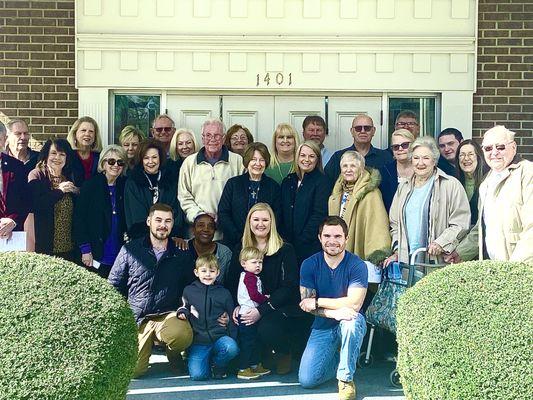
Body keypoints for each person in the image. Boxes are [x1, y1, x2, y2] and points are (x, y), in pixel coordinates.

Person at [109, 203, 195, 378]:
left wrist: (185, 308)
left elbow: (191, 287)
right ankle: (144, 346)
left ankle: (173, 353)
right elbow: (113, 285)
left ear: (172, 224)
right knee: (135, 371)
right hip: (138, 317)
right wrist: (120, 317)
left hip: (167, 314)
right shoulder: (130, 250)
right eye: (158, 220)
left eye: (168, 221)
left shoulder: (182, 253)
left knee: (182, 335)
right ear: (149, 221)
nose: (163, 225)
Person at [227, 203, 307, 375]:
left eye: (265, 219)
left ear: (272, 222)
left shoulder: (285, 249)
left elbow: (289, 286)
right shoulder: (240, 248)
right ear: (249, 222)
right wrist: (236, 305)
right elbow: (232, 282)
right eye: (256, 219)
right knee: (241, 324)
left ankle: (283, 351)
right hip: (249, 305)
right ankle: (259, 356)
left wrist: (262, 309)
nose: (260, 224)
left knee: (266, 327)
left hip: (278, 305)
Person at [298, 216, 368, 400]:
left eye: (338, 236)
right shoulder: (309, 264)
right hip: (323, 324)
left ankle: (345, 380)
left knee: (351, 322)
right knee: (307, 380)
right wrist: (334, 312)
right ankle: (343, 359)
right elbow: (306, 304)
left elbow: (354, 303)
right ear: (320, 237)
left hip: (350, 320)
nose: (332, 241)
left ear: (346, 238)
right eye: (327, 235)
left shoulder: (357, 265)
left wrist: (319, 301)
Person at [447, 126, 532, 263]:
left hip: (521, 269)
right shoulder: (487, 182)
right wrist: (461, 252)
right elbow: (481, 229)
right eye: (488, 148)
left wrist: (515, 268)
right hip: (495, 268)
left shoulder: (527, 173)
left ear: (513, 147)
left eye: (500, 147)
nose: (494, 153)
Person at [384, 136, 470, 268]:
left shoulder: (450, 185)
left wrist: (441, 243)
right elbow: (395, 224)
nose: (420, 163)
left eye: (426, 158)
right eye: (416, 158)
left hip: (436, 261)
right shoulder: (404, 187)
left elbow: (460, 222)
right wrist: (398, 251)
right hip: (407, 262)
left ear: (434, 161)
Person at [178, 118, 244, 239]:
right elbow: (184, 196)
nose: (212, 139)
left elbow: (242, 196)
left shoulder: (238, 161)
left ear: (224, 138)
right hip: (196, 234)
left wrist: (224, 218)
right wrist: (201, 217)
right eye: (208, 135)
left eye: (217, 135)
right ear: (202, 138)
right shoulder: (189, 163)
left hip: (228, 233)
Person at [177, 254, 239, 381]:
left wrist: (233, 338)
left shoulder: (224, 293)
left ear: (218, 273)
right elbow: (184, 306)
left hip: (219, 338)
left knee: (231, 348)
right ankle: (200, 359)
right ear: (196, 272)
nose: (208, 274)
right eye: (203, 271)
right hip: (199, 341)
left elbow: (232, 317)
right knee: (198, 375)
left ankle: (218, 365)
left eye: (212, 271)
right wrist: (182, 312)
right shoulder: (189, 290)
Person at [74, 145, 128, 278]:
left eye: (120, 162)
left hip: (118, 250)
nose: (116, 165)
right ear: (103, 163)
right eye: (111, 161)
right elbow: (79, 219)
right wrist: (85, 249)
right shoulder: (91, 186)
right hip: (96, 250)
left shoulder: (124, 186)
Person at [218, 142, 281, 249]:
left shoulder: (273, 186)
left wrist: (261, 237)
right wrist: (240, 237)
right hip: (234, 243)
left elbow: (277, 215)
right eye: (253, 159)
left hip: (264, 244)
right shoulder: (233, 184)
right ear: (247, 161)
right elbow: (223, 212)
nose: (258, 163)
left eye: (261, 160)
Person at [328, 151, 391, 259]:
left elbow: (377, 227)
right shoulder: (338, 191)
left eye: (353, 166)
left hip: (359, 255)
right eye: (345, 166)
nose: (348, 170)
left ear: (361, 169)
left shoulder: (371, 193)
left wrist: (376, 256)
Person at [28, 139, 80, 261]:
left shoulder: (71, 175)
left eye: (62, 154)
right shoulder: (37, 175)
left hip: (69, 248)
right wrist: (59, 191)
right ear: (46, 155)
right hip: (45, 248)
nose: (58, 157)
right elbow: (37, 205)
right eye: (53, 153)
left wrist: (77, 192)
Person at [280, 140, 330, 264]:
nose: (306, 159)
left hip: (309, 245)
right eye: (303, 155)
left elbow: (319, 214)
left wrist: (302, 239)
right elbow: (280, 210)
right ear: (297, 157)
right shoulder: (288, 181)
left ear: (317, 159)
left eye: (311, 156)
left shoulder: (322, 181)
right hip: (286, 245)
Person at [125, 139, 184, 240]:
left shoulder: (170, 180)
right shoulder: (133, 182)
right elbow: (135, 215)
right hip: (143, 239)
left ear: (160, 158)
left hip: (170, 237)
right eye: (146, 158)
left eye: (154, 157)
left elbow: (176, 210)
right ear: (141, 160)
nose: (150, 162)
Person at [236, 247, 272, 380]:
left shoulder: (252, 276)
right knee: (248, 342)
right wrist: (266, 299)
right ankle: (243, 368)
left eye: (260, 262)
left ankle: (255, 365)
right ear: (243, 263)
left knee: (255, 341)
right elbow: (254, 295)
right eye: (254, 262)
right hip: (247, 315)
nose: (258, 265)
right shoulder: (249, 277)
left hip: (251, 313)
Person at [325, 114, 393, 183]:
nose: (363, 131)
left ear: (373, 131)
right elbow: (326, 184)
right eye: (358, 128)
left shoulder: (385, 157)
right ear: (352, 131)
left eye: (367, 128)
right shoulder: (338, 157)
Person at [185, 213, 233, 285]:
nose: (206, 229)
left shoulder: (224, 253)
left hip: (216, 295)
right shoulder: (182, 246)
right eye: (201, 225)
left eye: (211, 226)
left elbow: (228, 283)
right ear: (193, 230)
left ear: (214, 231)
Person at [378, 129, 415, 212]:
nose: (400, 149)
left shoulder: (422, 169)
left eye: (405, 145)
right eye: (396, 147)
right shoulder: (384, 172)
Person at [454, 139, 489, 226]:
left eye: (471, 154)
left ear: (478, 157)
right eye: (462, 155)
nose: (466, 158)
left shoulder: (488, 181)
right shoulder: (454, 183)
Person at [0, 150, 28, 240]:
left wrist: (13, 221)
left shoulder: (16, 165)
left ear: (4, 140)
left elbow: (26, 199)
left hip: (15, 235)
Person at [67, 116, 103, 185]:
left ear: (95, 136)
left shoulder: (99, 157)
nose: (87, 134)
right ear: (75, 134)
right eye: (83, 130)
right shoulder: (68, 156)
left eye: (91, 131)